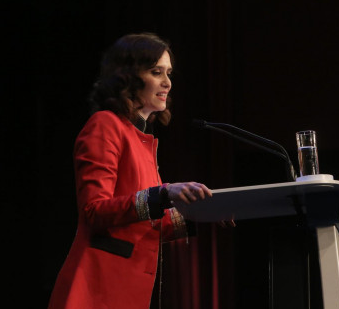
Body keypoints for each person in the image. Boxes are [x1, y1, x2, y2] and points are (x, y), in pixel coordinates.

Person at [48, 32, 216, 309]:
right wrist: (162, 193)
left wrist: (207, 211)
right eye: (156, 72)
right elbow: (94, 211)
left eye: (169, 73)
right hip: (97, 290)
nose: (167, 83)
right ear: (128, 76)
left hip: (126, 291)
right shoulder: (105, 125)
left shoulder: (141, 140)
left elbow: (145, 225)